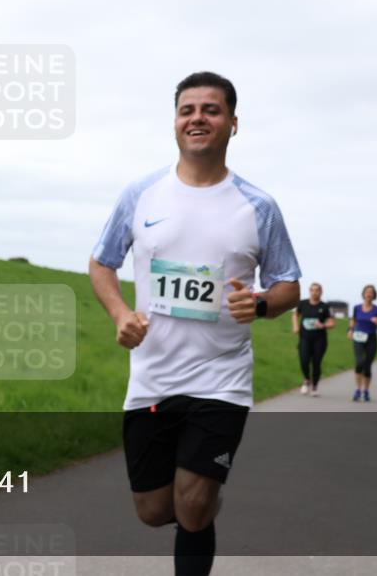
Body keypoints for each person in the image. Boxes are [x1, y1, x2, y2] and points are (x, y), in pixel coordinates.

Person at [89, 72, 301, 576]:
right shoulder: (141, 194)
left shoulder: (258, 206)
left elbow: (288, 284)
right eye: (188, 110)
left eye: (210, 109)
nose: (198, 118)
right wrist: (121, 314)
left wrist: (264, 305)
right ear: (176, 122)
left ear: (232, 122)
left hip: (221, 380)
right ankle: (200, 506)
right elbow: (102, 262)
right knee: (154, 511)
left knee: (191, 505)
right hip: (152, 378)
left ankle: (200, 505)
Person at [292, 282, 335, 396]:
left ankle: (315, 387)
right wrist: (295, 326)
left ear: (321, 292)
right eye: (313, 290)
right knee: (304, 360)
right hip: (305, 338)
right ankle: (307, 379)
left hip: (319, 339)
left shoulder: (325, 307)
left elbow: (332, 322)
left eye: (317, 290)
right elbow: (295, 315)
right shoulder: (303, 304)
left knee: (316, 363)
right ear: (309, 291)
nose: (315, 292)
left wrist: (323, 325)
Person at [347, 285, 377, 402]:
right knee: (360, 363)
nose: (369, 294)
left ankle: (366, 391)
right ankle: (358, 389)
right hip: (358, 338)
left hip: (371, 339)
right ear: (363, 294)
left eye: (371, 292)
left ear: (374, 295)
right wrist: (350, 329)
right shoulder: (357, 308)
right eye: (367, 292)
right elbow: (353, 320)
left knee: (367, 365)